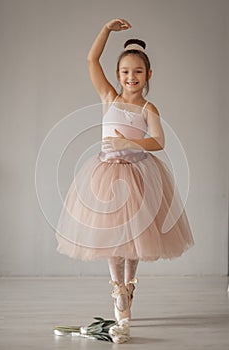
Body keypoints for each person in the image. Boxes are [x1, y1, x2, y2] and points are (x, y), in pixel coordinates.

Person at [55, 18, 194, 322]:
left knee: (135, 237)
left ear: (148, 75)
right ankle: (117, 288)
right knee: (113, 236)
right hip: (106, 174)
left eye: (138, 72)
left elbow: (159, 141)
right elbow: (91, 59)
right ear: (117, 75)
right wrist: (105, 31)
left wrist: (129, 142)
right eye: (125, 72)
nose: (131, 77)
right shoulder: (110, 98)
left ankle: (129, 286)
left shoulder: (148, 109)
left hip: (138, 173)